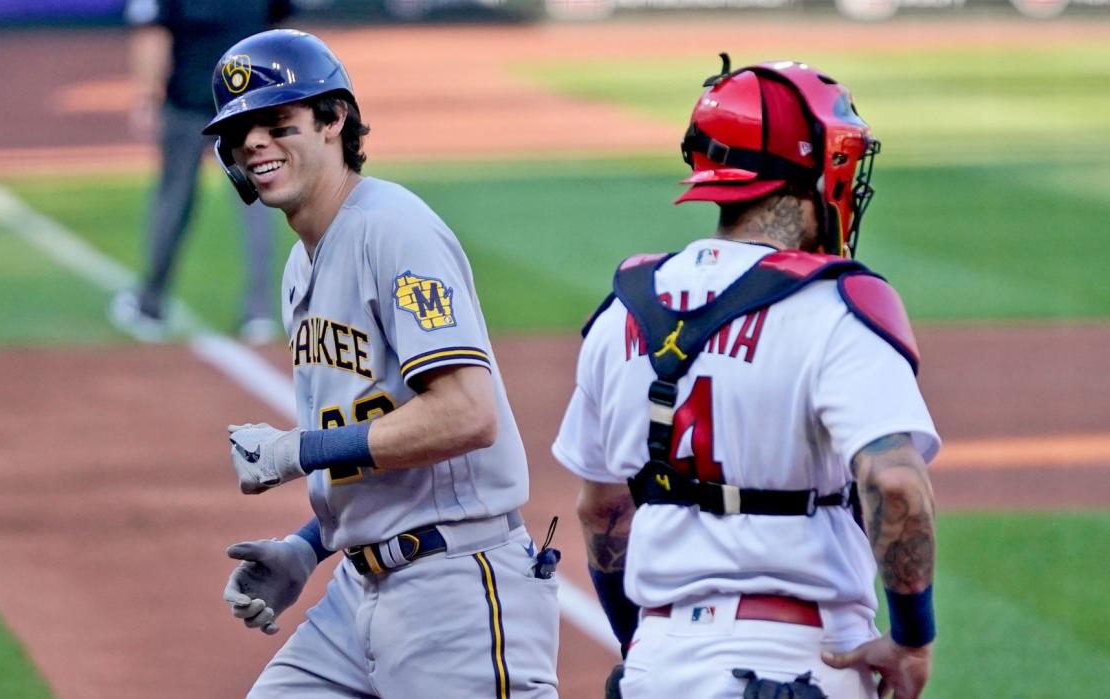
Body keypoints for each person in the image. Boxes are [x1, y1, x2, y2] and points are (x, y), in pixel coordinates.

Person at [552, 56, 940, 699]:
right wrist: (911, 638)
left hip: (657, 666)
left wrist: (640, 647)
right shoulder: (838, 306)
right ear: (814, 170)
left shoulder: (621, 310)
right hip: (802, 662)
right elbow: (895, 485)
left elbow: (603, 512)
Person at [206, 30, 561, 698]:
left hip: (455, 586)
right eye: (238, 133)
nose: (254, 143)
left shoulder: (393, 229)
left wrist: (298, 451)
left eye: (276, 122)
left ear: (335, 119)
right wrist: (308, 546)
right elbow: (374, 435)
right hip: (356, 594)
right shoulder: (300, 264)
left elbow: (466, 412)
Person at [110, 0, 290, 345]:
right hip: (246, 103)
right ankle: (259, 312)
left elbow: (153, 31)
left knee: (174, 198)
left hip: (189, 100)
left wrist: (146, 95)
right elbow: (278, 32)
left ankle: (151, 305)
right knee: (257, 199)